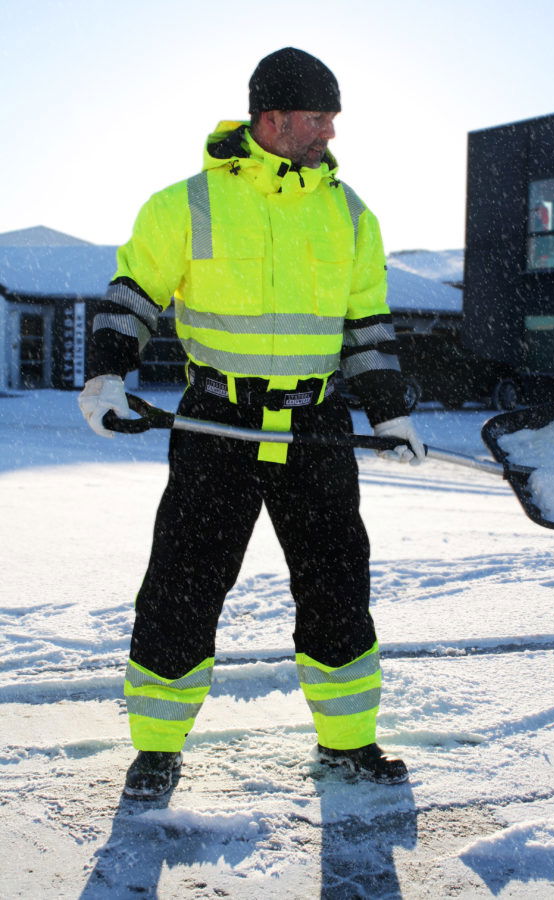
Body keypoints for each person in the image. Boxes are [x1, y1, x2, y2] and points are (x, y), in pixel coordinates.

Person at [78, 47, 426, 799]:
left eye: (332, 119)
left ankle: (349, 743)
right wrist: (108, 373)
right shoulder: (186, 204)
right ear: (270, 118)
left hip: (317, 426)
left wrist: (392, 416)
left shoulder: (350, 213)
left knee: (337, 585)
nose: (328, 133)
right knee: (183, 585)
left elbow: (367, 329)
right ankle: (158, 749)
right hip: (217, 422)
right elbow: (133, 293)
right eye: (316, 118)